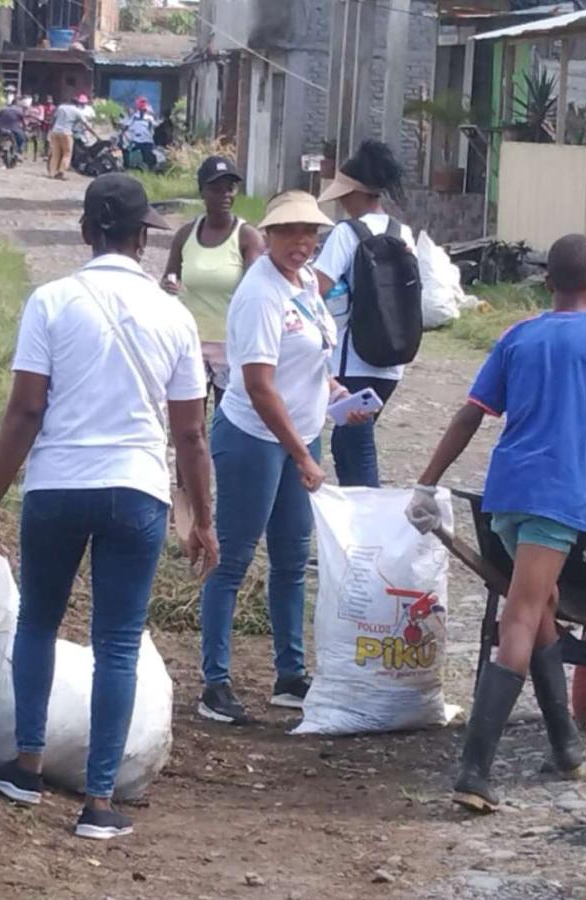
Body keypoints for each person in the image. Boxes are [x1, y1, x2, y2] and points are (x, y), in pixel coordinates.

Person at [0, 174, 218, 840]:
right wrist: (204, 520)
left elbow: (25, 409)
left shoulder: (50, 301)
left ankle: (25, 766)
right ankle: (99, 803)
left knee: (38, 623)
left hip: (55, 487)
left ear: (85, 232)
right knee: (116, 644)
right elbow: (190, 432)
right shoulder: (175, 316)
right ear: (143, 237)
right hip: (135, 491)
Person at [405, 233, 586, 813]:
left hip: (505, 495)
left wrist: (428, 481)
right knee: (522, 615)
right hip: (556, 498)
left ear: (547, 282)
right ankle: (474, 772)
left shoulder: (517, 335)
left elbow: (472, 413)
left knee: (541, 604)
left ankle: (565, 747)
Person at [197, 190, 370, 725]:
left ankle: (290, 673)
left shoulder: (306, 286)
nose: (302, 243)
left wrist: (336, 392)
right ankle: (215, 681)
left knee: (293, 559)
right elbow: (259, 385)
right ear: (268, 235)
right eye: (290, 232)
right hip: (255, 437)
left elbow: (313, 354)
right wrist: (301, 454)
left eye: (310, 233)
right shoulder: (259, 293)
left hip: (302, 434)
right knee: (232, 557)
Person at [313, 140, 415, 487]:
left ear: (357, 191)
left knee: (356, 448)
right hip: (393, 360)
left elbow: (318, 287)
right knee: (348, 442)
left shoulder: (346, 233)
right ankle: (361, 524)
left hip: (352, 360)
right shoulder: (403, 233)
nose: (340, 201)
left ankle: (369, 528)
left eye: (344, 193)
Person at [161, 155, 265, 406]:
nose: (225, 195)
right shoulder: (186, 235)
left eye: (230, 189)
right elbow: (168, 277)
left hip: (231, 343)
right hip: (191, 340)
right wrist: (168, 285)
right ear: (202, 192)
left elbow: (256, 289)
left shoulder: (247, 237)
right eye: (216, 189)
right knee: (189, 415)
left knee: (226, 412)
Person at [48, 96, 94, 180]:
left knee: (55, 154)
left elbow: (53, 118)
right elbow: (86, 124)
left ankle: (51, 173)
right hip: (66, 133)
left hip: (55, 131)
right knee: (67, 153)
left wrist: (50, 129)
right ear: (77, 104)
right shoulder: (77, 111)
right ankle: (61, 172)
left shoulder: (61, 107)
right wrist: (95, 135)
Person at [121, 97, 158, 170]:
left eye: (143, 109)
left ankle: (149, 169)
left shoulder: (149, 118)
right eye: (141, 108)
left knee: (147, 157)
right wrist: (123, 132)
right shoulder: (134, 117)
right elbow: (126, 126)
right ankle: (128, 167)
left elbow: (155, 127)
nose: (142, 110)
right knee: (127, 152)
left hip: (147, 141)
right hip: (136, 140)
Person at [0, 98, 26, 168]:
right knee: (22, 140)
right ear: (17, 104)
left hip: (2, 130)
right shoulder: (19, 110)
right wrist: (24, 128)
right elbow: (23, 122)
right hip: (14, 130)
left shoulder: (2, 109)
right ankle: (18, 153)